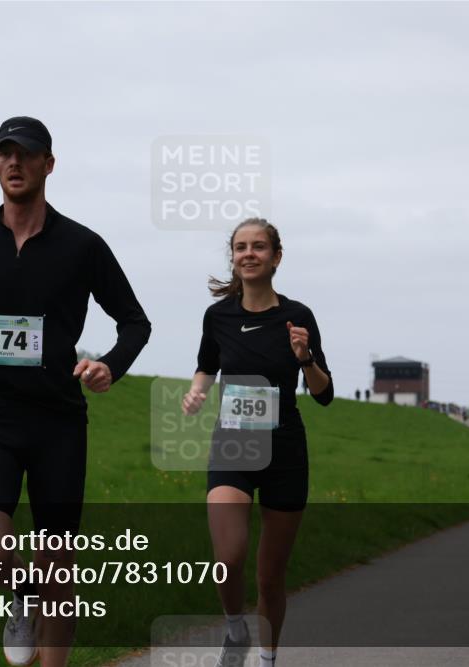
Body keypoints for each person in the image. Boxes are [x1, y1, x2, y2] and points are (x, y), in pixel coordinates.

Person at [0, 116, 151, 667]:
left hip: (57, 422)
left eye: (26, 154)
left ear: (49, 163)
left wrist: (109, 367)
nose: (14, 163)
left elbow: (135, 322)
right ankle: (22, 595)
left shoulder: (83, 245)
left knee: (58, 566)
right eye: (4, 153)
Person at [181, 219, 333, 667]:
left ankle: (267, 657)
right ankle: (234, 630)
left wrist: (305, 358)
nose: (249, 254)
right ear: (233, 257)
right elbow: (207, 365)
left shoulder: (298, 317)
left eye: (259, 247)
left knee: (270, 578)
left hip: (284, 448)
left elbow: (323, 394)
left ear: (276, 257)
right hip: (234, 444)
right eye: (240, 247)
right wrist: (197, 392)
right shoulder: (218, 316)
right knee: (227, 558)